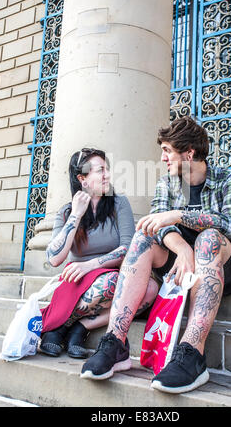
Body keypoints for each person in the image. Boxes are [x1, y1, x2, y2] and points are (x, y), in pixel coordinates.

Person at [80, 117, 231, 392]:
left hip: (226, 264)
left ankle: (192, 352)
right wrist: (181, 249)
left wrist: (179, 215)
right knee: (143, 234)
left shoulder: (229, 178)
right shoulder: (167, 184)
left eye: (168, 150)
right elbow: (154, 225)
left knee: (208, 239)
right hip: (183, 263)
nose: (163, 157)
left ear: (189, 152)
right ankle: (115, 341)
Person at [40, 148, 158, 359]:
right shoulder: (66, 212)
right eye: (100, 170)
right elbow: (54, 258)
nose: (107, 175)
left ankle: (79, 327)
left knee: (149, 289)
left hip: (112, 273)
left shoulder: (118, 204)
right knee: (114, 283)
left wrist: (91, 265)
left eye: (107, 169)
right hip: (76, 281)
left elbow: (128, 249)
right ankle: (58, 328)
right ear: (82, 179)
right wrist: (76, 215)